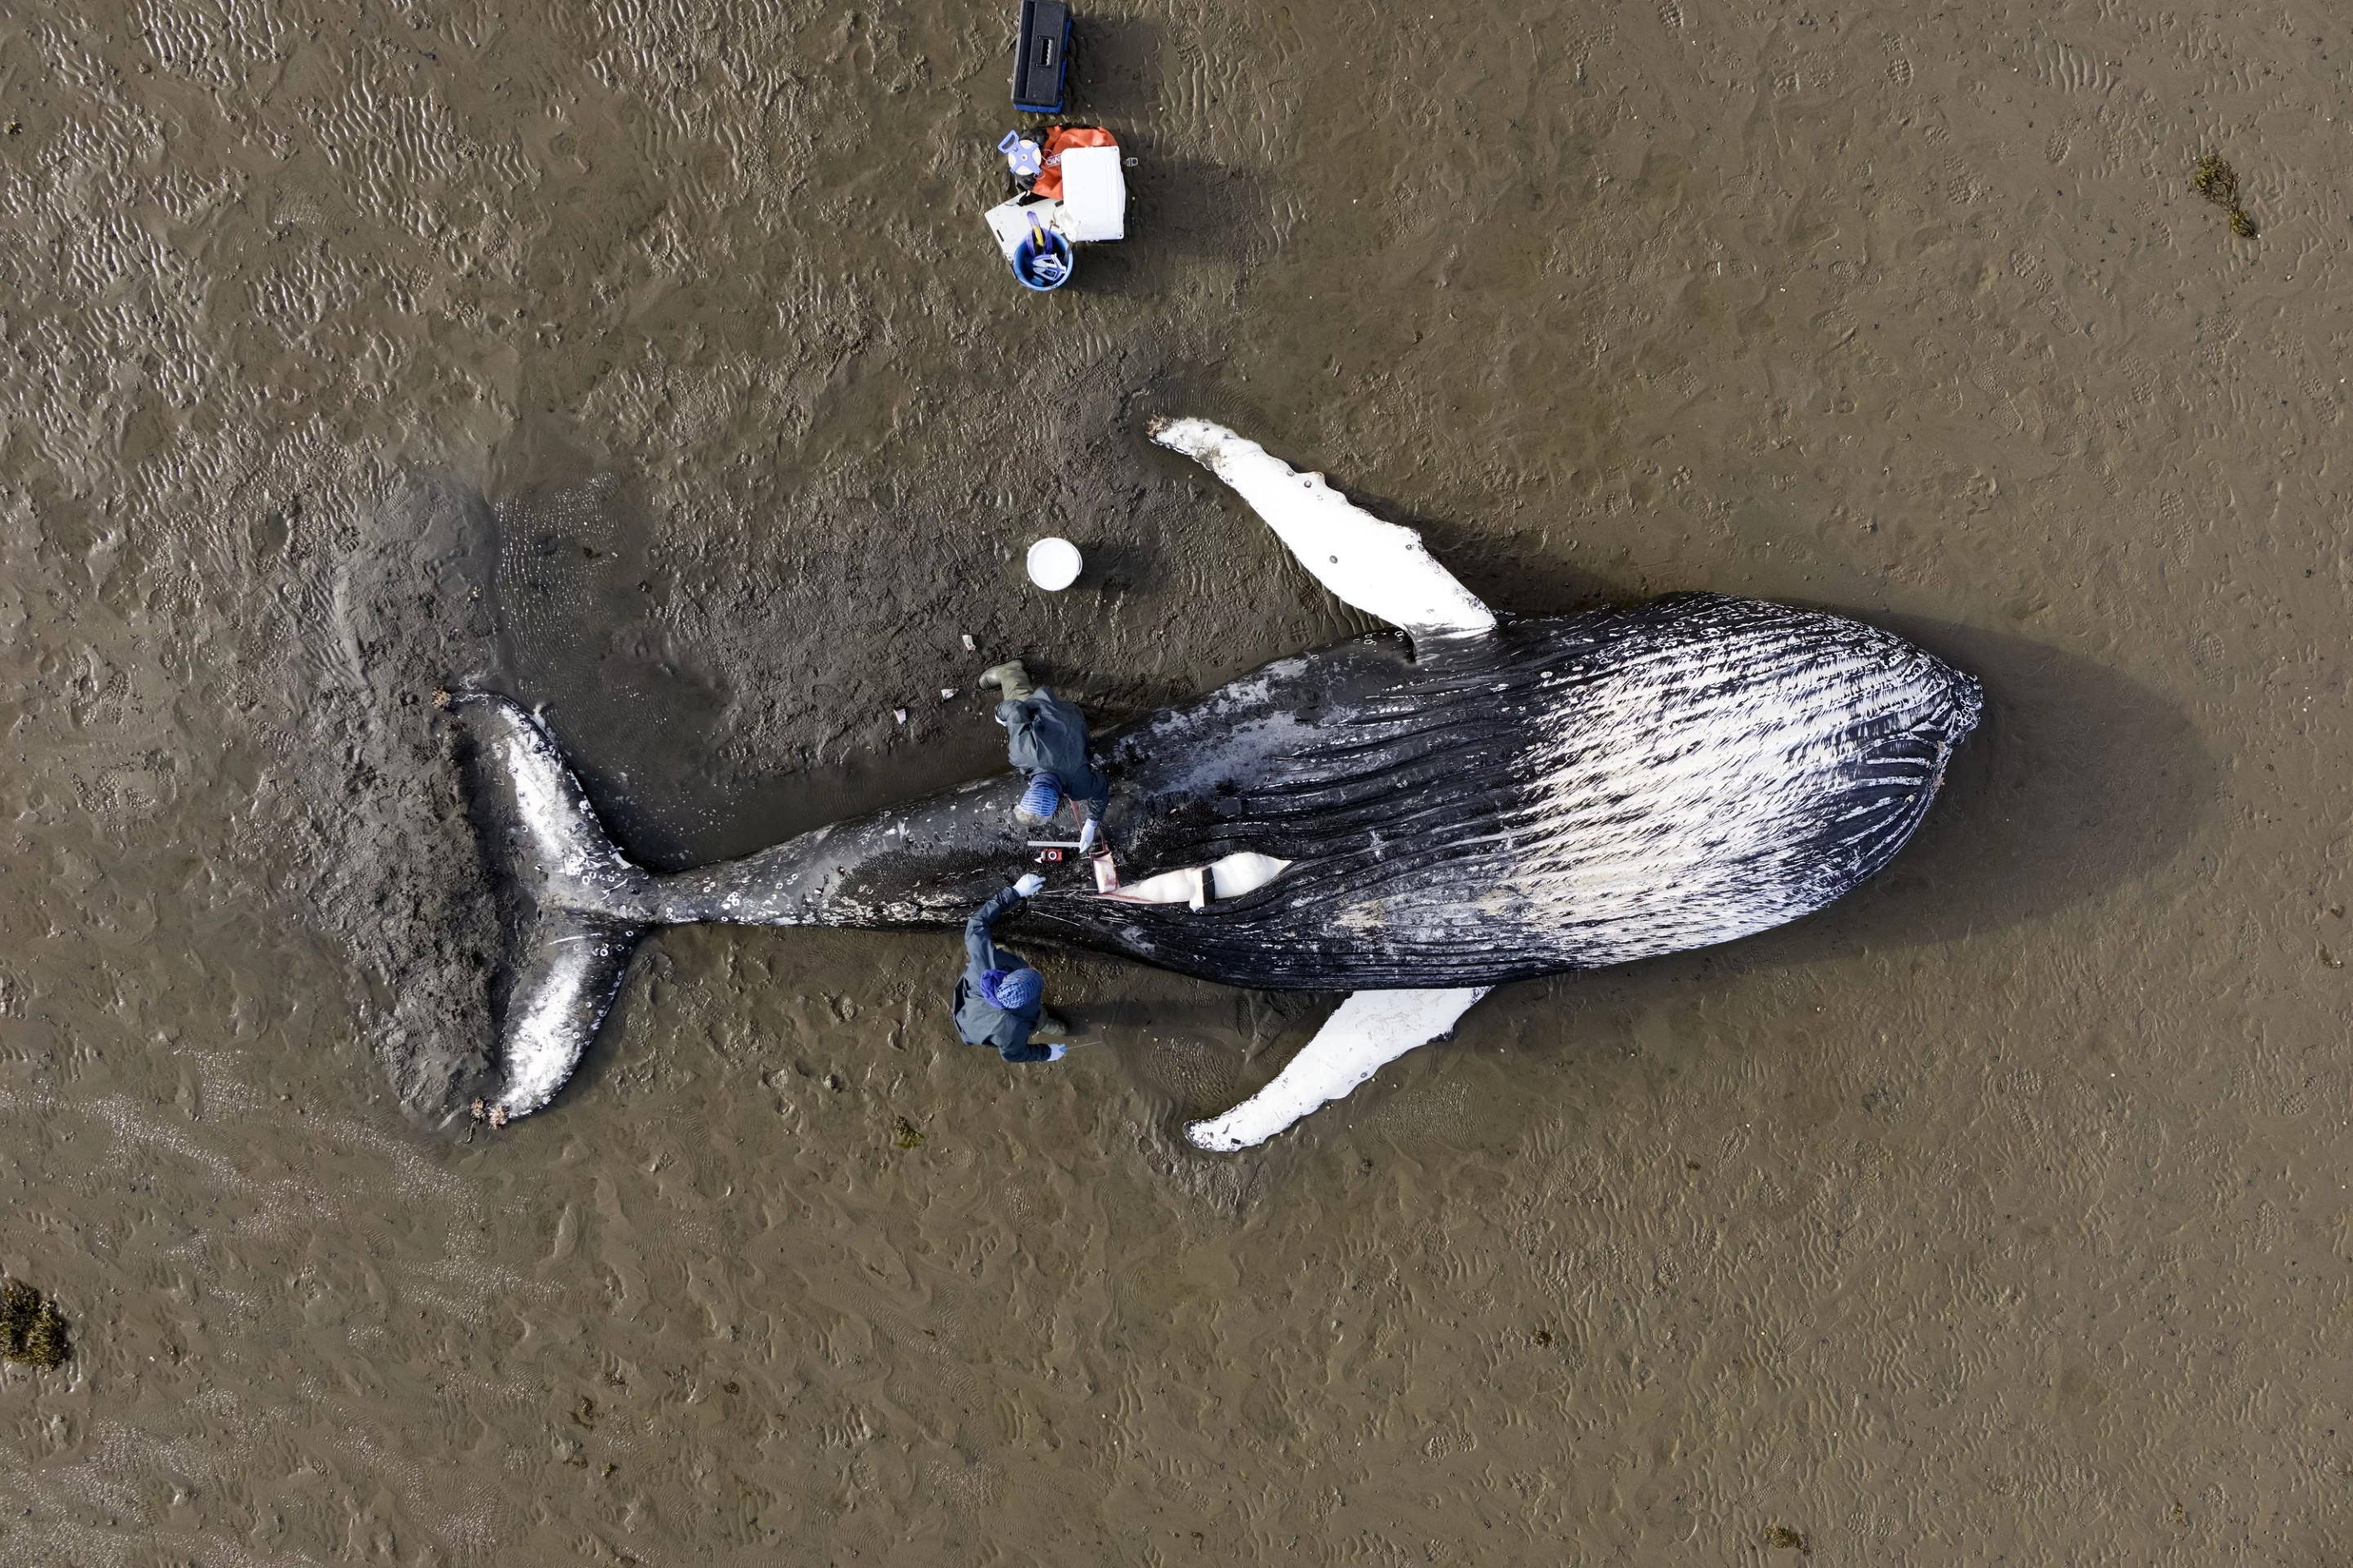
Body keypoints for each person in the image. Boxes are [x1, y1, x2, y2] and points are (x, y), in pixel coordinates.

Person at [979, 660, 1110, 854]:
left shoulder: (1081, 787)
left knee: (1020, 708)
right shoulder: (1022, 755)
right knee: (1019, 705)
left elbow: (1101, 789)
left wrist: (1092, 823)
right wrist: (1000, 714)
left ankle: (1011, 672)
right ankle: (1011, 673)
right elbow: (1015, 710)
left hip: (1076, 717)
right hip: (1053, 709)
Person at [953, 873, 1074, 1062]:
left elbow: (977, 924)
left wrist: (1015, 892)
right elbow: (1013, 1055)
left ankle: (1000, 944)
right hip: (986, 1027)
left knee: (996, 947)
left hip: (970, 1017)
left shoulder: (983, 966)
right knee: (1037, 1018)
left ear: (1007, 978)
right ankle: (1043, 1022)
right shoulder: (1013, 1029)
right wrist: (1047, 1053)